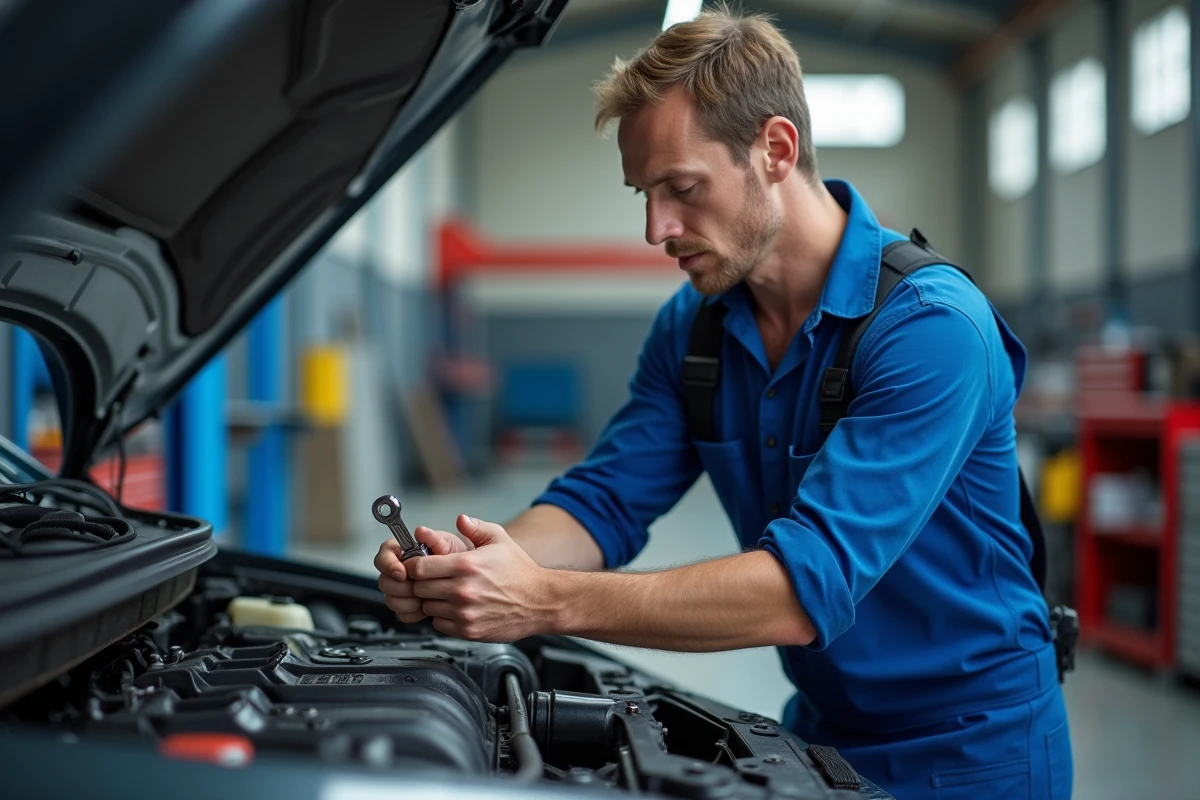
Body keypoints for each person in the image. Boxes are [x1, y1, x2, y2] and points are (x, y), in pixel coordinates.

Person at [374, 7, 1072, 798]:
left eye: (681, 188)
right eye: (643, 193)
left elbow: (800, 590)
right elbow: (605, 501)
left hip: (975, 751)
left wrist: (542, 601)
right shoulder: (695, 328)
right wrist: (475, 567)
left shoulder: (932, 330)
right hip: (822, 731)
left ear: (776, 149)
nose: (656, 228)